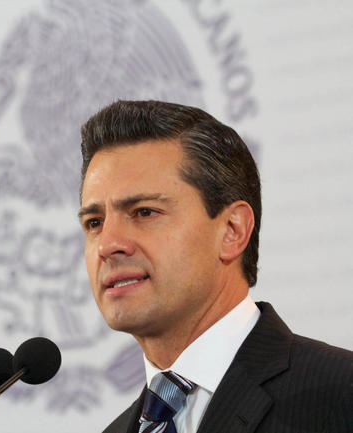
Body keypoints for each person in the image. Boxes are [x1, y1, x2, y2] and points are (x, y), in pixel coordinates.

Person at [78, 100, 352, 433]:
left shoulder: (341, 395)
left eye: (145, 212)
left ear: (232, 231)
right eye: (94, 222)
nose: (107, 245)